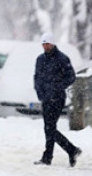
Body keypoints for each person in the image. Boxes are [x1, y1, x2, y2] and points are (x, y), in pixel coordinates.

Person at [33, 32, 81, 167]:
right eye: (43, 44)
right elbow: (37, 77)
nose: (45, 46)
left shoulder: (62, 59)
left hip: (58, 98)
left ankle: (50, 156)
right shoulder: (40, 59)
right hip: (46, 99)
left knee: (50, 127)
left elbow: (71, 77)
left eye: (47, 43)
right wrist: (40, 93)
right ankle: (71, 150)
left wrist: (57, 88)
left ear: (53, 43)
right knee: (49, 128)